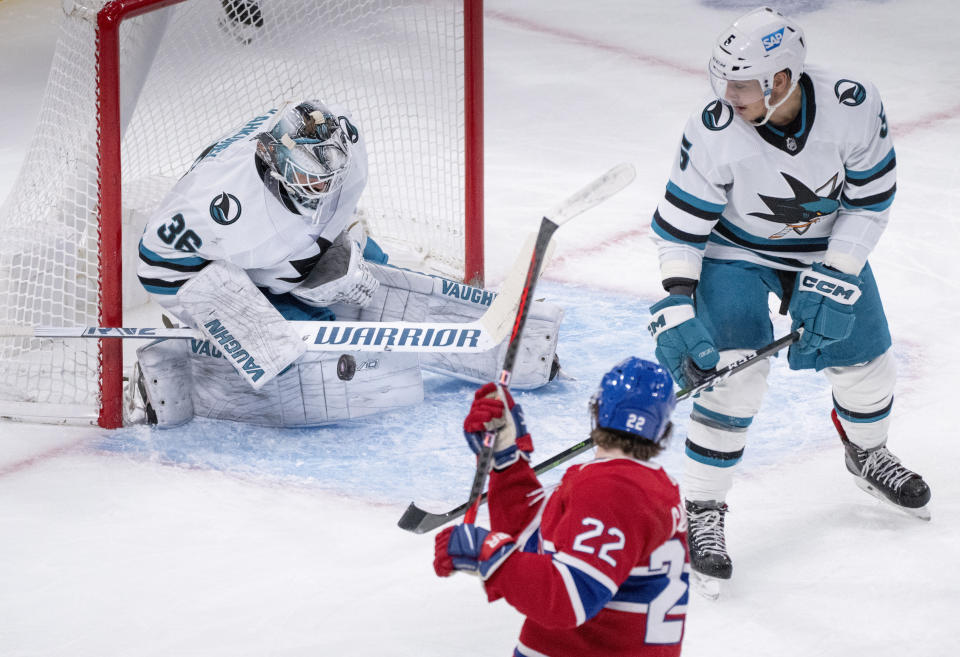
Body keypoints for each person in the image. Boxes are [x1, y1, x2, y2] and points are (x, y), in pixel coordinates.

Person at [646, 6, 932, 588]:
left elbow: (871, 200)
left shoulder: (852, 106)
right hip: (734, 251)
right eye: (722, 77)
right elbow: (680, 231)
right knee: (731, 377)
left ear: (782, 80)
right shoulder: (714, 128)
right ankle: (701, 507)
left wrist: (838, 272)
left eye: (743, 83)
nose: (728, 94)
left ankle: (867, 453)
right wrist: (677, 303)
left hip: (826, 249)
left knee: (867, 362)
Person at [132, 99, 563, 427]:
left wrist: (341, 249)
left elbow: (331, 199)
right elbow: (157, 262)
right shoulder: (216, 204)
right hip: (192, 271)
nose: (322, 185)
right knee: (294, 362)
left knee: (373, 276)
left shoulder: (341, 145)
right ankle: (176, 376)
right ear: (273, 164)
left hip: (273, 244)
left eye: (327, 174)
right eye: (309, 178)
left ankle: (519, 350)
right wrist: (288, 287)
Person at [433, 358, 689, 657]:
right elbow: (533, 539)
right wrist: (507, 462)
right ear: (663, 429)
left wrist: (488, 553)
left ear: (598, 410)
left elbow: (569, 598)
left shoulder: (614, 489)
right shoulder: (638, 485)